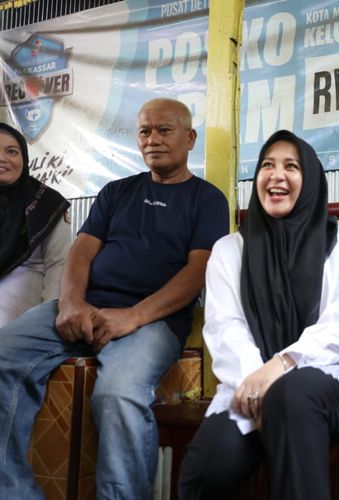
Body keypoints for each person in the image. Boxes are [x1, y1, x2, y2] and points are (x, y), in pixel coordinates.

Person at [0, 98, 229, 499]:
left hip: (154, 322)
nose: (152, 139)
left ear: (190, 138)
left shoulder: (207, 199)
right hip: (84, 307)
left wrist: (134, 317)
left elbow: (198, 273)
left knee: (117, 395)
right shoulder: (116, 192)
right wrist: (70, 303)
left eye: (164, 130)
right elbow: (81, 252)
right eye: (144, 131)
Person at [179, 130, 339, 500]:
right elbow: (225, 327)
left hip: (327, 376)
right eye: (267, 165)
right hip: (250, 379)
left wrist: (285, 362)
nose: (276, 175)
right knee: (209, 465)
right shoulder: (230, 251)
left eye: (291, 166)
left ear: (312, 180)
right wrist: (258, 379)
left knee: (293, 396)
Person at [0, 122, 71, 327]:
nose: (2, 158)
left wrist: (46, 319)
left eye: (12, 151)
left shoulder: (47, 203)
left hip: (25, 304)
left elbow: (58, 264)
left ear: (24, 158)